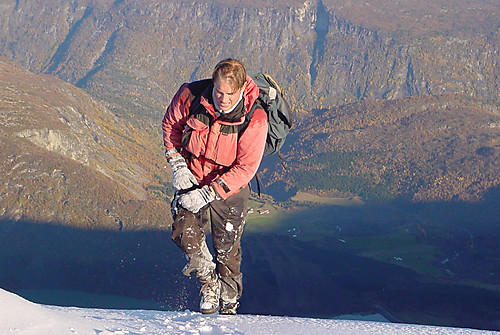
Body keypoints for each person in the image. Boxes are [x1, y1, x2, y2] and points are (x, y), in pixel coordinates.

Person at [162, 59, 268, 315]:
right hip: (192, 174)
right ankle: (209, 282)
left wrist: (209, 192)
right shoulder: (192, 96)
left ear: (241, 88)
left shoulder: (255, 116)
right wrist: (177, 164)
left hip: (229, 186)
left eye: (230, 94)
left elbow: (246, 167)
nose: (223, 98)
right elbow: (171, 126)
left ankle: (228, 302)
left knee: (227, 249)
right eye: (219, 91)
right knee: (184, 233)